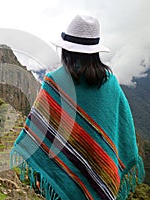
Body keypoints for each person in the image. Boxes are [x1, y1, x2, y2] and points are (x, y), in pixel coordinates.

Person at [10, 15, 145, 200]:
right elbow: (125, 134)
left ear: (66, 50)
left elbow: (38, 135)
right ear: (95, 52)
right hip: (103, 179)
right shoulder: (111, 84)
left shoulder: (54, 84)